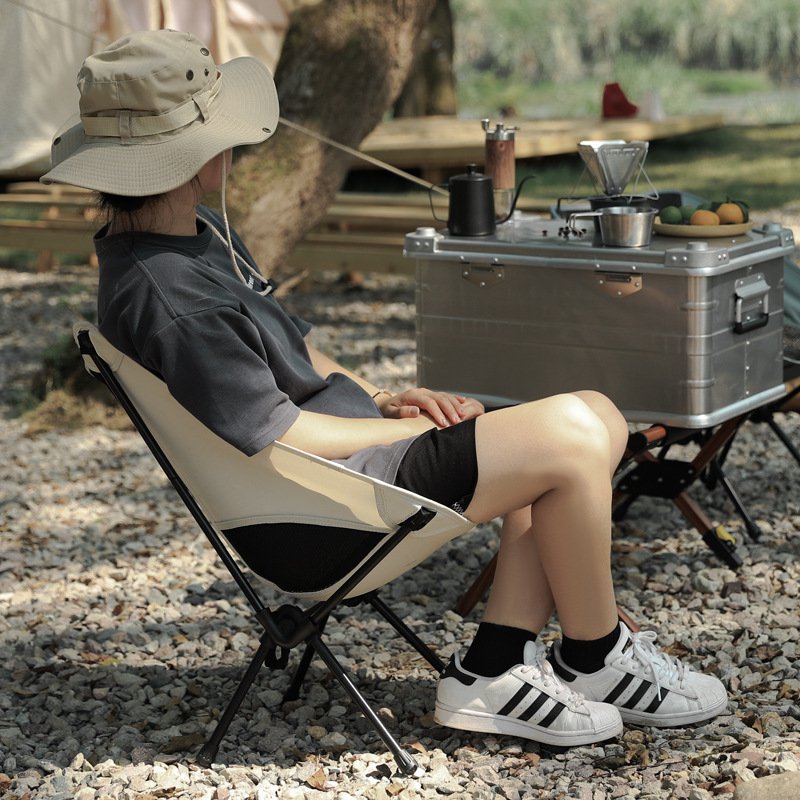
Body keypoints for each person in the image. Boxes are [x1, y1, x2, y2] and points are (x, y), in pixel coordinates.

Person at [42, 29, 728, 749]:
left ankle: (497, 667)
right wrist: (409, 433)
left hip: (342, 468)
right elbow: (283, 434)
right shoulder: (170, 297)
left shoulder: (195, 237)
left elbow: (295, 347)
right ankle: (593, 654)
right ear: (197, 155)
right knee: (572, 434)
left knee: (598, 416)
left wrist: (383, 399)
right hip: (318, 510)